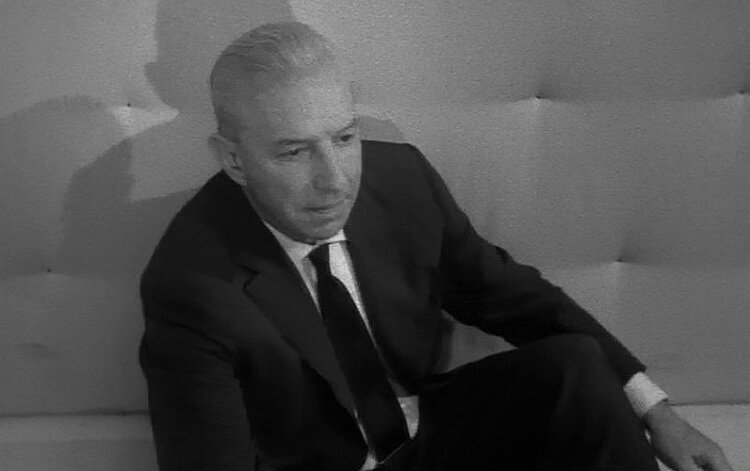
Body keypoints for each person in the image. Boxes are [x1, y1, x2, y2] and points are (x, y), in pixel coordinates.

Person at [139, 21, 734, 471]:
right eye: (294, 152)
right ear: (233, 160)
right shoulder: (190, 286)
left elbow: (515, 297)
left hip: (428, 431)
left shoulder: (403, 183)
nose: (335, 180)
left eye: (344, 138)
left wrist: (656, 412)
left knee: (574, 365)